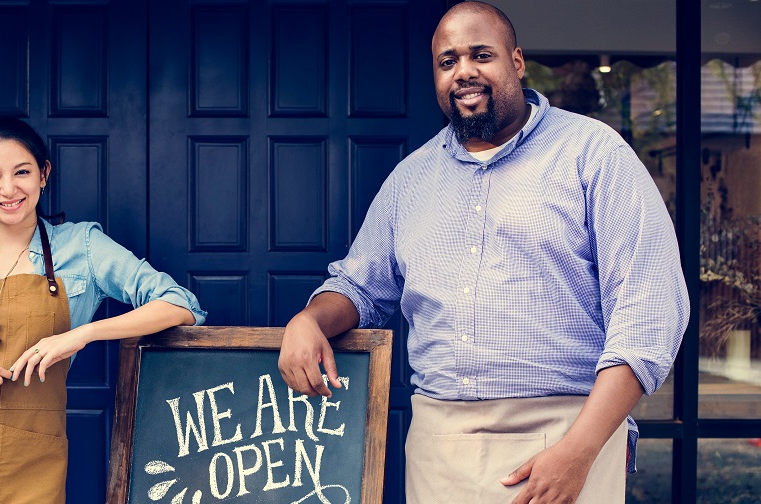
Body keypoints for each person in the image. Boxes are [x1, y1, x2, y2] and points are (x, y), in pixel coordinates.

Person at [277, 2, 688, 503]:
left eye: (481, 55)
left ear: (517, 61)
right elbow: (359, 287)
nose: (464, 71)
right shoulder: (411, 179)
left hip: (566, 439)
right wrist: (310, 320)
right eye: (447, 61)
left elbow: (649, 313)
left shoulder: (594, 154)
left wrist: (579, 449)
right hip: (439, 449)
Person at [0, 117, 206, 503]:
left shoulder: (82, 248)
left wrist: (82, 335)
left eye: (22, 172)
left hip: (31, 462)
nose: (9, 189)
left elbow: (181, 305)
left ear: (43, 174)